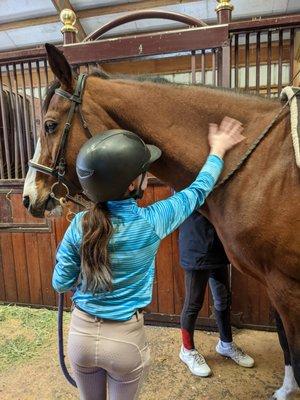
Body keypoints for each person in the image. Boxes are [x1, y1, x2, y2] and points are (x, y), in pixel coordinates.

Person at [52, 117, 245, 400]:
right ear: (133, 184)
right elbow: (198, 190)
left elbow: (60, 283)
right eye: (144, 171)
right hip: (124, 343)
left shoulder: (79, 224)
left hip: (80, 337)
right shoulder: (152, 221)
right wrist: (217, 150)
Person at [179, 212, 255, 377]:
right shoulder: (185, 187)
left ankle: (226, 344)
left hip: (218, 245)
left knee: (223, 299)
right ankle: (187, 350)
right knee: (193, 304)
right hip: (196, 244)